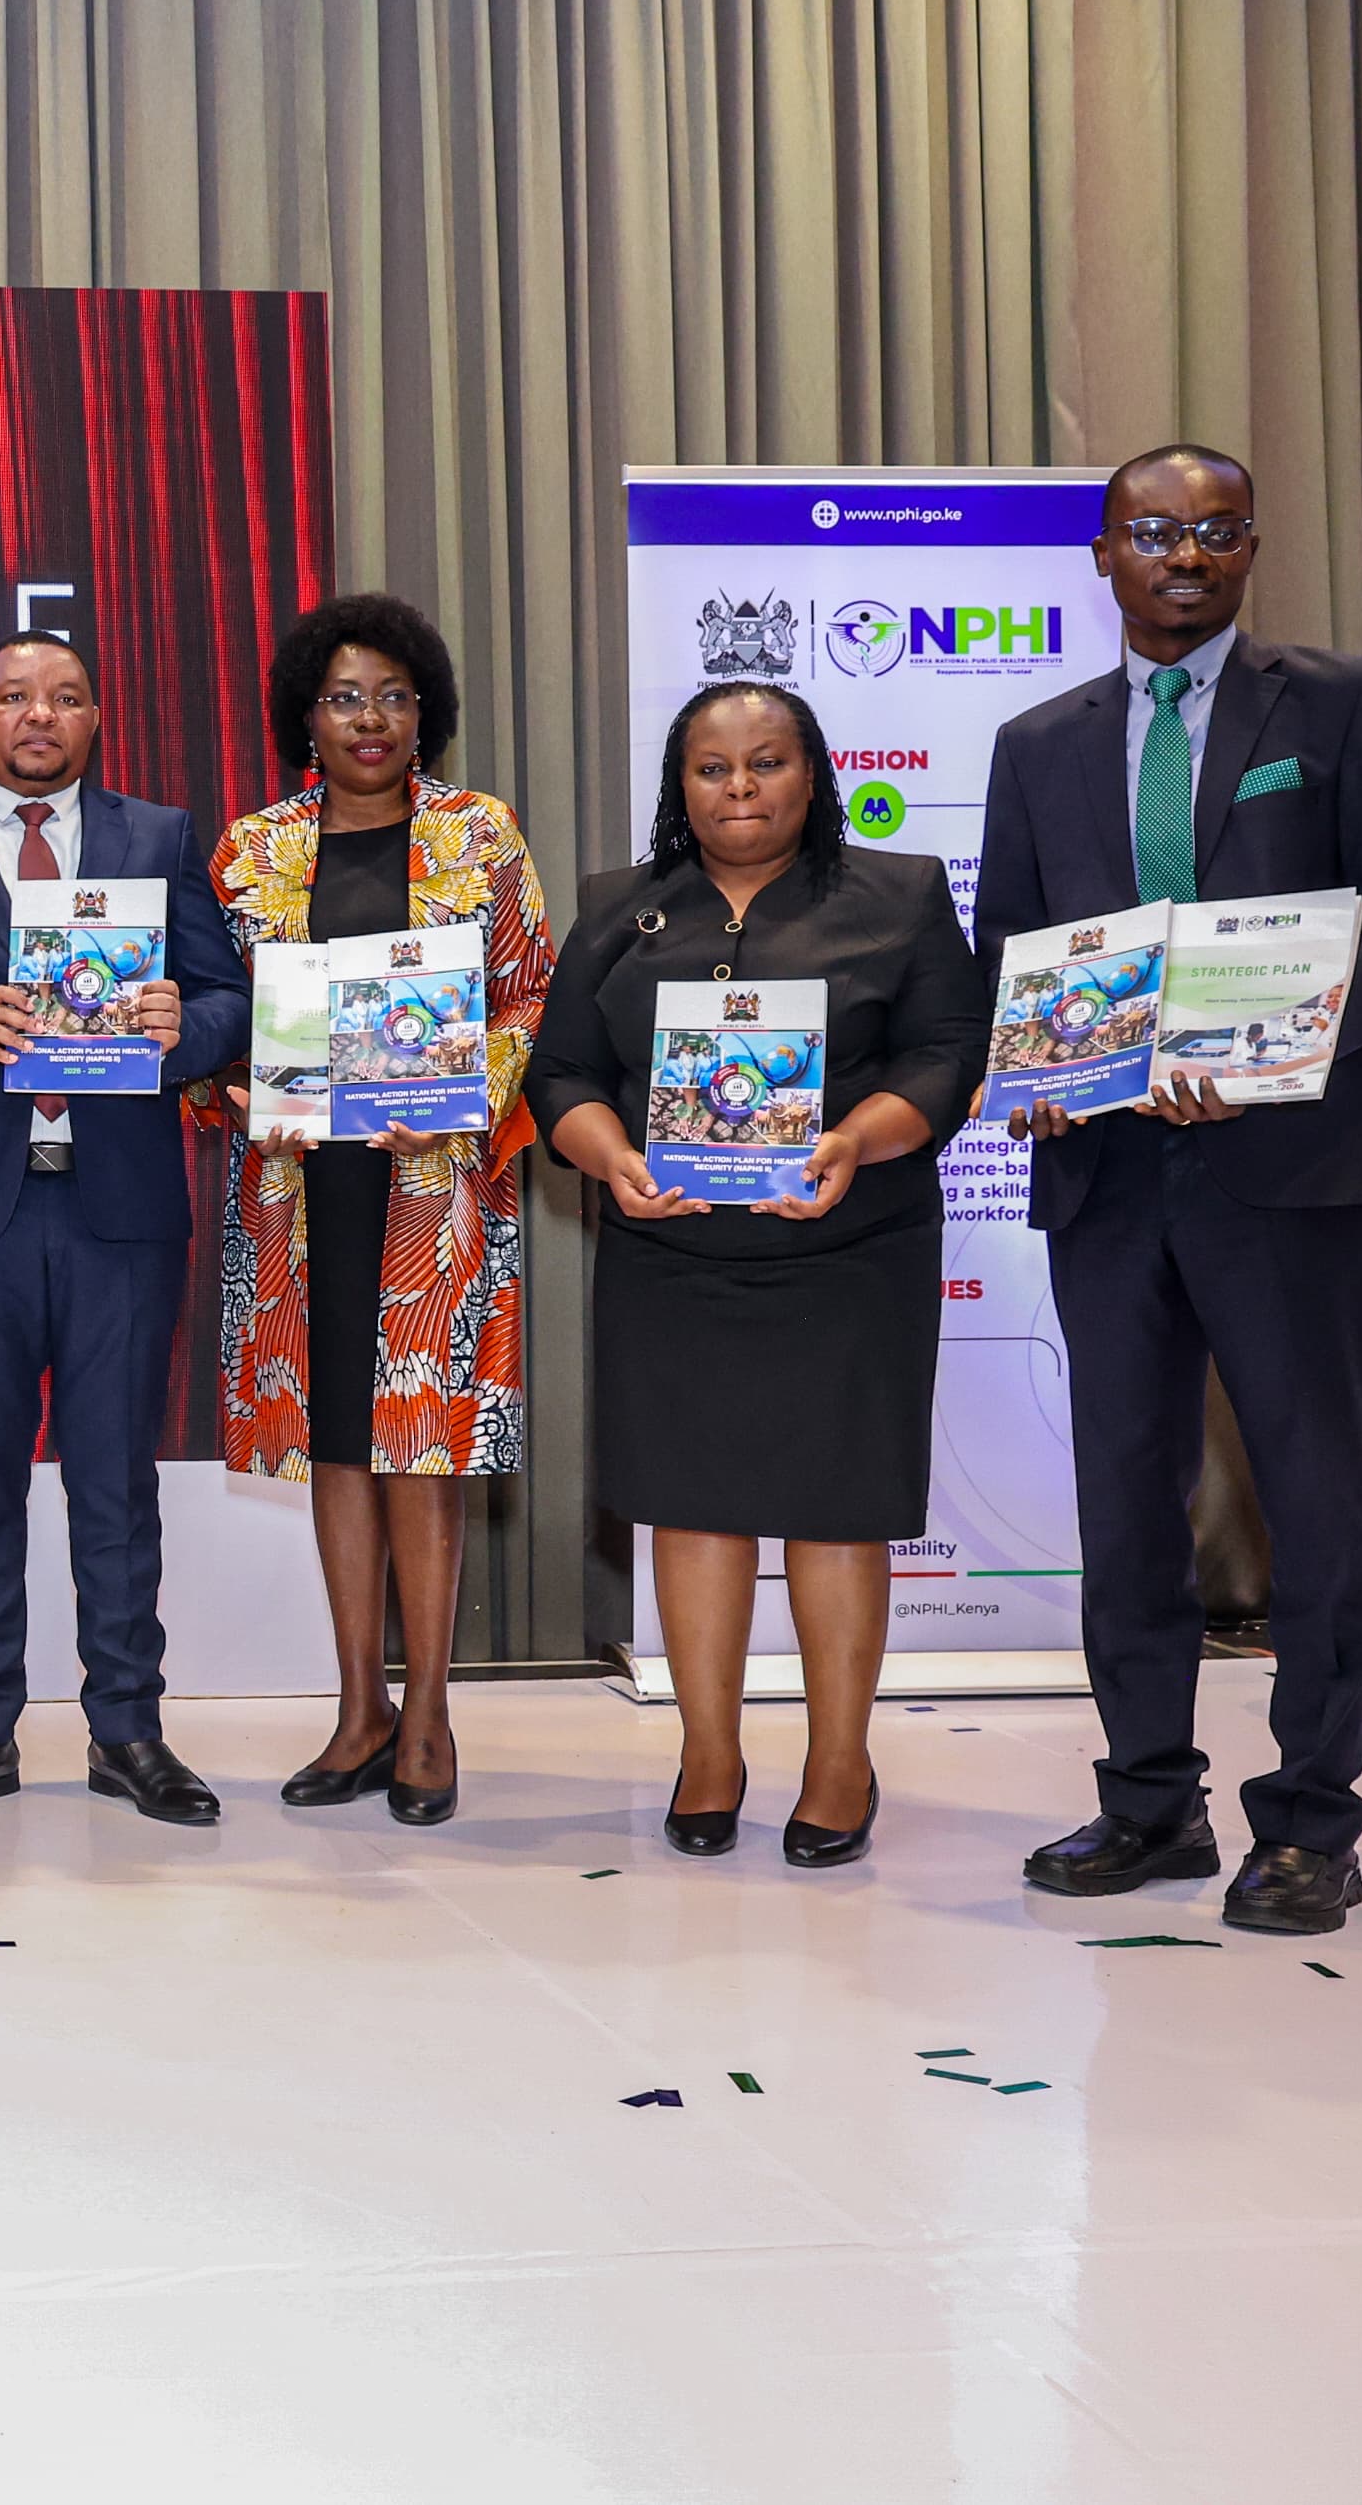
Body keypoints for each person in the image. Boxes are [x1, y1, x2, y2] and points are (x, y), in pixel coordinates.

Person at [980, 445, 1362, 1936]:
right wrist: (1036, 1061)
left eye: (1215, 531)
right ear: (1101, 554)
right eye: (1152, 531)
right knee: (1126, 1506)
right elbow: (1011, 954)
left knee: (1317, 1502)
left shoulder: (1345, 703)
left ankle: (1310, 1821)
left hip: (1290, 1168)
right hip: (1106, 1175)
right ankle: (1148, 1800)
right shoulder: (1034, 742)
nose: (1183, 555)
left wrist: (1269, 1046)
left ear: (1249, 548)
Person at [528, 680, 988, 1866]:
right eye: (711, 768)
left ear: (811, 773)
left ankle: (838, 1762)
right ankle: (708, 1753)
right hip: (670, 1254)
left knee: (839, 1509)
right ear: (679, 786)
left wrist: (855, 1139)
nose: (738, 787)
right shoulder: (617, 907)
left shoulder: (898, 893)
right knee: (692, 1502)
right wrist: (610, 1157)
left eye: (765, 762)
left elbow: (945, 1056)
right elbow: (561, 1073)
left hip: (850, 1250)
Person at [0, 632, 252, 1826]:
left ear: (95, 718)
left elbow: (228, 997)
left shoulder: (159, 836)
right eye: (15, 697)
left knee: (114, 1480)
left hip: (116, 1207)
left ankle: (127, 1732)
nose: (40, 715)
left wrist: (179, 1028)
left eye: (67, 697)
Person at [203, 595, 553, 1824]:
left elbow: (527, 995)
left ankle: (430, 1719)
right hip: (298, 1192)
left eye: (394, 697)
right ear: (305, 714)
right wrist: (233, 1086)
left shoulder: (478, 835)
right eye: (345, 697)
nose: (370, 719)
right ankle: (359, 1711)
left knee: (422, 1439)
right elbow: (217, 1010)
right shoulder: (250, 852)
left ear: (425, 714)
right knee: (335, 1442)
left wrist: (466, 1097)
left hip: (432, 1188)